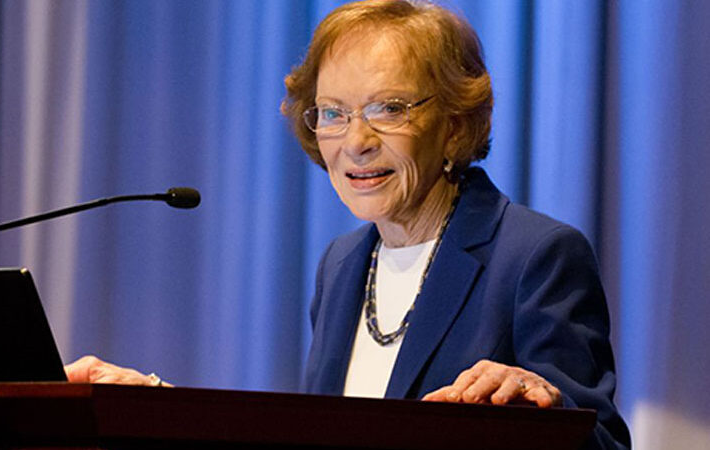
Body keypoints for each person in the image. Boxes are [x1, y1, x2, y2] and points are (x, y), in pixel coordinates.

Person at [67, 1, 630, 448]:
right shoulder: (343, 262)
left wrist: (551, 407)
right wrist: (153, 404)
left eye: (389, 108)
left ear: (456, 125)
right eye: (333, 113)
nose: (356, 142)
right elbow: (319, 435)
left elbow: (603, 441)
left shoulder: (536, 255)